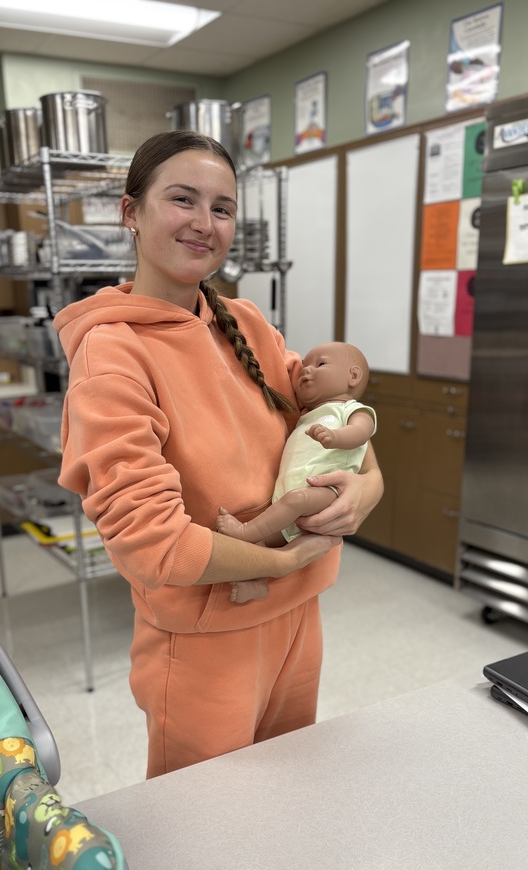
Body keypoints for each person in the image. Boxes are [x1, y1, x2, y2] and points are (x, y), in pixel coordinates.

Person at [56, 130, 383, 778]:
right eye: (182, 199)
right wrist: (283, 555)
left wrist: (368, 490)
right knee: (207, 838)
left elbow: (335, 420)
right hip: (208, 638)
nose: (204, 223)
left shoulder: (249, 325)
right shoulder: (113, 353)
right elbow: (153, 544)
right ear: (132, 212)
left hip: (297, 617)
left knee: (288, 793)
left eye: (222, 207)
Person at [216, 341, 376, 603]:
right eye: (304, 366)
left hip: (327, 491)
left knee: (297, 500)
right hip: (291, 496)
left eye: (320, 364)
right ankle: (256, 582)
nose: (306, 371)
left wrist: (335, 437)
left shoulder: (350, 410)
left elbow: (362, 432)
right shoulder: (308, 415)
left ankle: (245, 531)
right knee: (264, 543)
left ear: (353, 376)